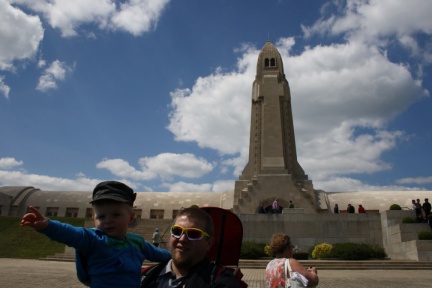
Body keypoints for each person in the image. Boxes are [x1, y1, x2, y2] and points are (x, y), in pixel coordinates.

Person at [21, 180, 171, 287]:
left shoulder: (137, 242)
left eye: (116, 215)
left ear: (131, 217)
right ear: (94, 218)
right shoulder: (92, 239)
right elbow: (70, 233)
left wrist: (180, 255)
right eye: (101, 216)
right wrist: (48, 225)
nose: (108, 221)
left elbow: (160, 254)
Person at [140, 207, 241, 287]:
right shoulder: (145, 275)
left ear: (209, 243)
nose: (182, 239)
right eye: (177, 231)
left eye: (193, 234)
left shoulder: (221, 282)